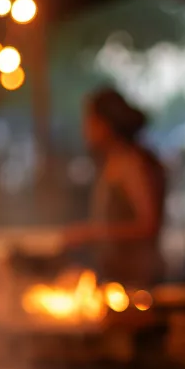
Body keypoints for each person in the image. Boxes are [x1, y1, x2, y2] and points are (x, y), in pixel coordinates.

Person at [63, 87, 165, 287]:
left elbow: (149, 225)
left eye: (90, 121)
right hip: (117, 275)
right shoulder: (113, 162)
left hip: (138, 279)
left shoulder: (131, 163)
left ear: (105, 124)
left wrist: (92, 233)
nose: (85, 128)